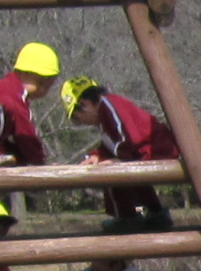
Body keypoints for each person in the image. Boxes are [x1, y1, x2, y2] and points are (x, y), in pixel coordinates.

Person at [58, 74, 178, 230]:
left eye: (77, 117)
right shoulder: (106, 113)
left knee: (111, 171)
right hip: (145, 152)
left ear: (84, 104)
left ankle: (127, 217)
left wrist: (119, 159)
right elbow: (111, 143)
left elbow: (126, 136)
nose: (80, 122)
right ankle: (155, 212)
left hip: (154, 151)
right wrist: (97, 155)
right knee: (112, 165)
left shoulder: (108, 106)